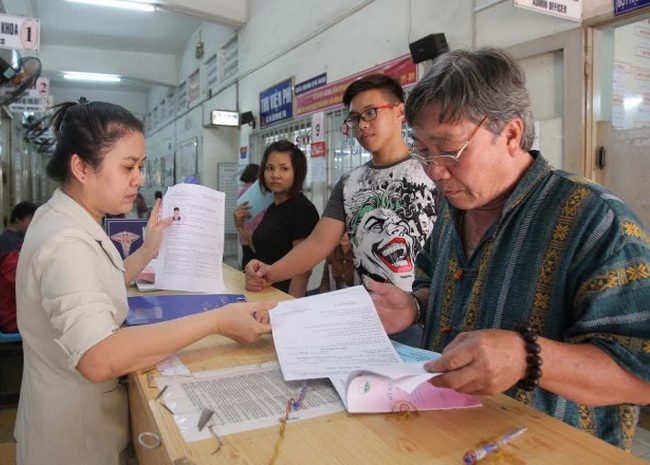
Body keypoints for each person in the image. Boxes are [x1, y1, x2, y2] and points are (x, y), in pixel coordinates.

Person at [368, 47, 650, 450]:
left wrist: (527, 357)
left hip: (551, 451)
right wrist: (415, 306)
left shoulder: (595, 221)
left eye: (448, 149)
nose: (434, 170)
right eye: (423, 150)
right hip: (447, 434)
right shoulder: (455, 207)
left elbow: (640, 372)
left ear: (512, 134)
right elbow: (439, 285)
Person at [14, 98, 276, 465]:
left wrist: (148, 250)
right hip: (75, 439)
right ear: (82, 167)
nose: (139, 178)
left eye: (141, 166)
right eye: (128, 167)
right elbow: (98, 357)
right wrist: (216, 321)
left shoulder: (68, 215)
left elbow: (98, 284)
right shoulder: (65, 242)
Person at [245, 74, 438, 297]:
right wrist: (271, 272)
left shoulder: (434, 171)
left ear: (400, 112)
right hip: (367, 312)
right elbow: (318, 244)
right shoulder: (350, 184)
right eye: (355, 118)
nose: (362, 125)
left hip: (425, 314)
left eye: (371, 112)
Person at [235, 140, 318, 297]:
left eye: (284, 169)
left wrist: (291, 307)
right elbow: (262, 251)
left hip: (282, 297)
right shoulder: (273, 207)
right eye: (270, 168)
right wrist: (241, 227)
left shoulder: (302, 209)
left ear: (297, 172)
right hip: (262, 292)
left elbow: (303, 270)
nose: (275, 175)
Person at [235, 163, 264, 269]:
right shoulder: (258, 192)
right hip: (255, 237)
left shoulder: (242, 191)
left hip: (244, 235)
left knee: (246, 262)